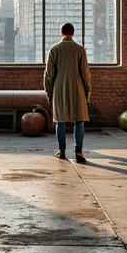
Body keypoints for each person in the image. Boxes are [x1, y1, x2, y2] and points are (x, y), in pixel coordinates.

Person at [43, 22, 92, 163]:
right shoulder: (80, 50)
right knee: (79, 120)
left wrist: (49, 92)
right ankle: (79, 152)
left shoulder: (54, 49)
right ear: (73, 33)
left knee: (60, 120)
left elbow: (49, 74)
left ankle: (62, 151)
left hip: (59, 87)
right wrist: (87, 92)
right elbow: (86, 74)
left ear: (61, 33)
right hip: (77, 88)